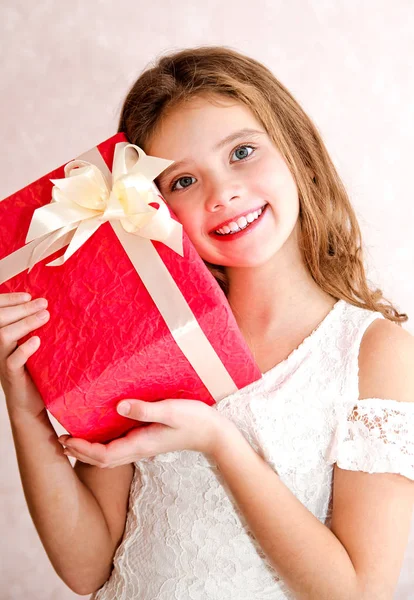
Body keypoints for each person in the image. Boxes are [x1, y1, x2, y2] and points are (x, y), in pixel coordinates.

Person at [1, 46, 413, 600]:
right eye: (182, 182)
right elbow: (87, 568)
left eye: (242, 152)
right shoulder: (147, 330)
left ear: (298, 154)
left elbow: (359, 592)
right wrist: (26, 407)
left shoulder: (375, 353)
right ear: (151, 207)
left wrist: (221, 443)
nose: (223, 194)